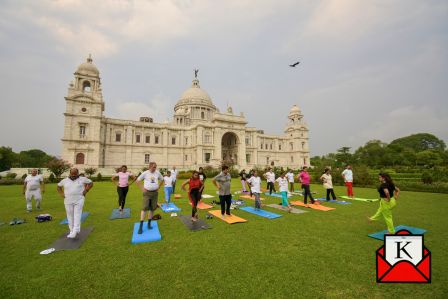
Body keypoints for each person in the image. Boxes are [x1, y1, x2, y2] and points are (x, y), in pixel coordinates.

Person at [57, 168, 93, 238]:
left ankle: (74, 231)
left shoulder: (82, 179)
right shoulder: (64, 180)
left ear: (78, 173)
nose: (73, 175)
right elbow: (58, 187)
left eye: (75, 174)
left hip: (79, 199)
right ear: (70, 173)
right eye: (72, 174)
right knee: (69, 215)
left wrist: (86, 190)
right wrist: (61, 194)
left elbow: (91, 183)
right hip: (68, 200)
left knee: (77, 214)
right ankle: (72, 230)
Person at [135, 162, 163, 234]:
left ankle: (149, 224)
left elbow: (162, 179)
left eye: (155, 167)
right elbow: (137, 181)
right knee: (144, 208)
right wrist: (142, 189)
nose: (155, 168)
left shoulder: (157, 173)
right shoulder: (145, 173)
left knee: (152, 208)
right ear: (150, 167)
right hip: (147, 193)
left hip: (155, 193)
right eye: (154, 167)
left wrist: (158, 187)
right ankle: (141, 226)